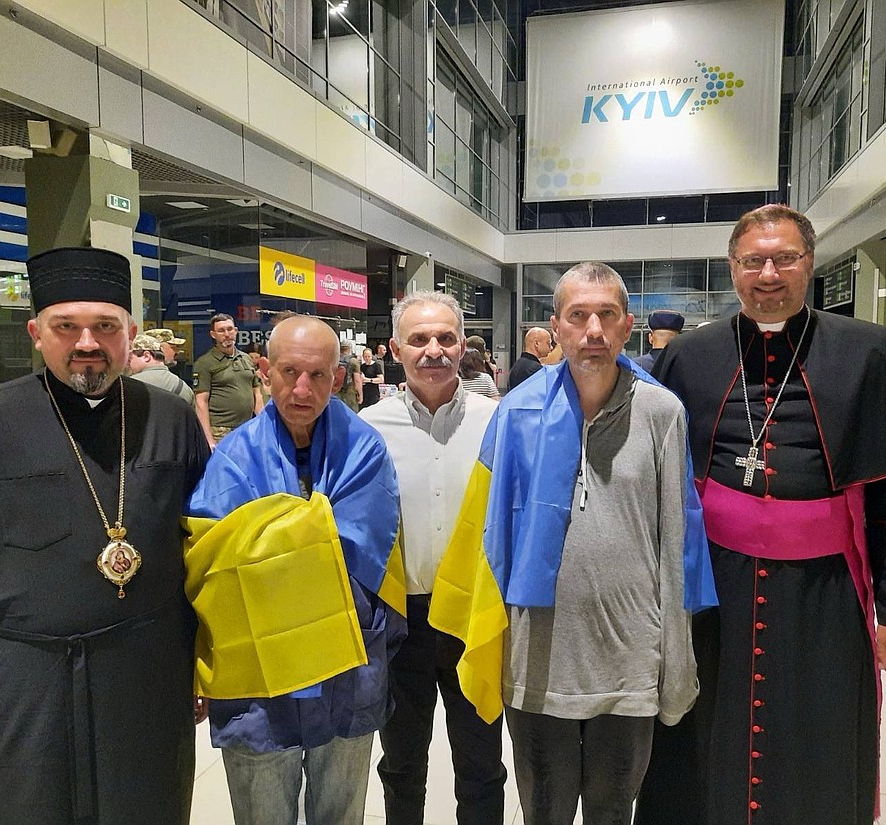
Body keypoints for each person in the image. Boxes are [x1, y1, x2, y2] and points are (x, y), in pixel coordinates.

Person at [638, 204, 886, 825]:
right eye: (753, 261)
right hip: (713, 587)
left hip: (822, 588)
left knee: (816, 727)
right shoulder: (690, 355)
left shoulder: (869, 351)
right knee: (702, 729)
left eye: (785, 258)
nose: (768, 273)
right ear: (732, 268)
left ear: (811, 264)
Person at [0, 246, 210, 825]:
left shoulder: (171, 422)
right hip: (19, 690)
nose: (87, 344)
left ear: (130, 333)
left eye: (105, 326)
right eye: (66, 326)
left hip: (146, 683)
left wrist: (205, 668)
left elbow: (205, 554)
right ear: (35, 332)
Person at [426, 263, 715, 824]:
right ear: (556, 327)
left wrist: (675, 662)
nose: (594, 331)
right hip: (540, 662)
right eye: (578, 316)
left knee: (612, 814)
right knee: (544, 813)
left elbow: (678, 539)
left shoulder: (661, 412)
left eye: (607, 315)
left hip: (629, 661)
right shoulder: (518, 412)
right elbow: (493, 537)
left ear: (627, 325)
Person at [184, 315, 406, 825]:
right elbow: (217, 559)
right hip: (259, 674)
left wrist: (272, 542)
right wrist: (313, 531)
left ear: (340, 376)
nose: (302, 389)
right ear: (265, 372)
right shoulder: (233, 457)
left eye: (318, 376)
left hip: (345, 663)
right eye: (289, 372)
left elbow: (363, 549)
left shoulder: (364, 449)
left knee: (340, 813)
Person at [360, 292, 506, 825]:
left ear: (463, 344)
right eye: (419, 339)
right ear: (396, 348)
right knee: (401, 763)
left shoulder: (500, 421)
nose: (433, 350)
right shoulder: (368, 428)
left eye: (445, 337)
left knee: (482, 763)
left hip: (474, 614)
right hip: (401, 618)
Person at [193, 313, 264, 449]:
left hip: (247, 427)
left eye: (230, 329)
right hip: (220, 430)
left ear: (236, 331)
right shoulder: (205, 363)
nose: (227, 334)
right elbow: (201, 401)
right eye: (221, 330)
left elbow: (257, 393)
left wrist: (262, 423)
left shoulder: (246, 359)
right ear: (213, 334)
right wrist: (208, 439)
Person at [128, 331, 195, 405]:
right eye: (172, 347)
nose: (176, 352)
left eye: (130, 358)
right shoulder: (181, 386)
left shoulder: (128, 385)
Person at [336, 340, 362, 412]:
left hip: (336, 391)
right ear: (349, 348)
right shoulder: (353, 361)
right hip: (350, 391)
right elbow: (357, 380)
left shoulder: (335, 359)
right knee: (352, 414)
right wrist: (360, 394)